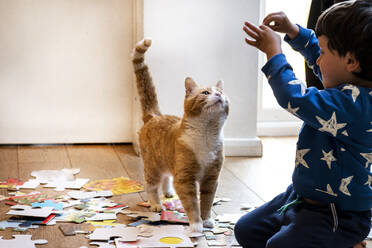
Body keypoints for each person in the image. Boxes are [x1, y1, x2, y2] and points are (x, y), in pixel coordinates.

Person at [236, 0, 372, 247]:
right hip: (302, 196)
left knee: (277, 246)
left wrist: (274, 54)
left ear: (351, 62)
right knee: (245, 230)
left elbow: (293, 97)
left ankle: (346, 241)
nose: (317, 61)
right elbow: (321, 57)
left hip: (337, 214)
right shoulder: (349, 82)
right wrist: (294, 32)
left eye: (323, 52)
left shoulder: (355, 106)